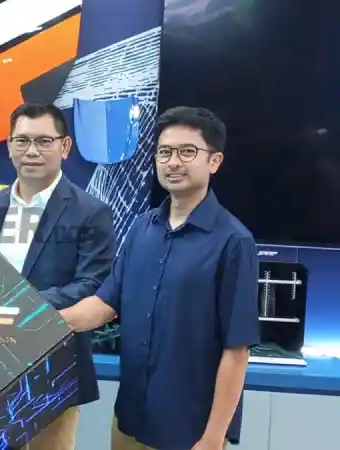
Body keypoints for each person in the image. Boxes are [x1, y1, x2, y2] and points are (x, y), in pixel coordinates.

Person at [60, 106, 260, 450]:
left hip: (189, 431)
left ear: (214, 161)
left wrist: (213, 438)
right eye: (164, 152)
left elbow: (236, 351)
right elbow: (104, 305)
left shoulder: (233, 242)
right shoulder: (142, 228)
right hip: (130, 421)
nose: (173, 162)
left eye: (187, 151)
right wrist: (36, 323)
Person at [0, 103, 116, 450]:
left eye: (43, 141)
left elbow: (92, 285)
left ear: (65, 147)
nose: (32, 151)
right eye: (22, 140)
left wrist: (18, 306)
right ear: (9, 146)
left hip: (53, 369)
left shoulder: (91, 212)